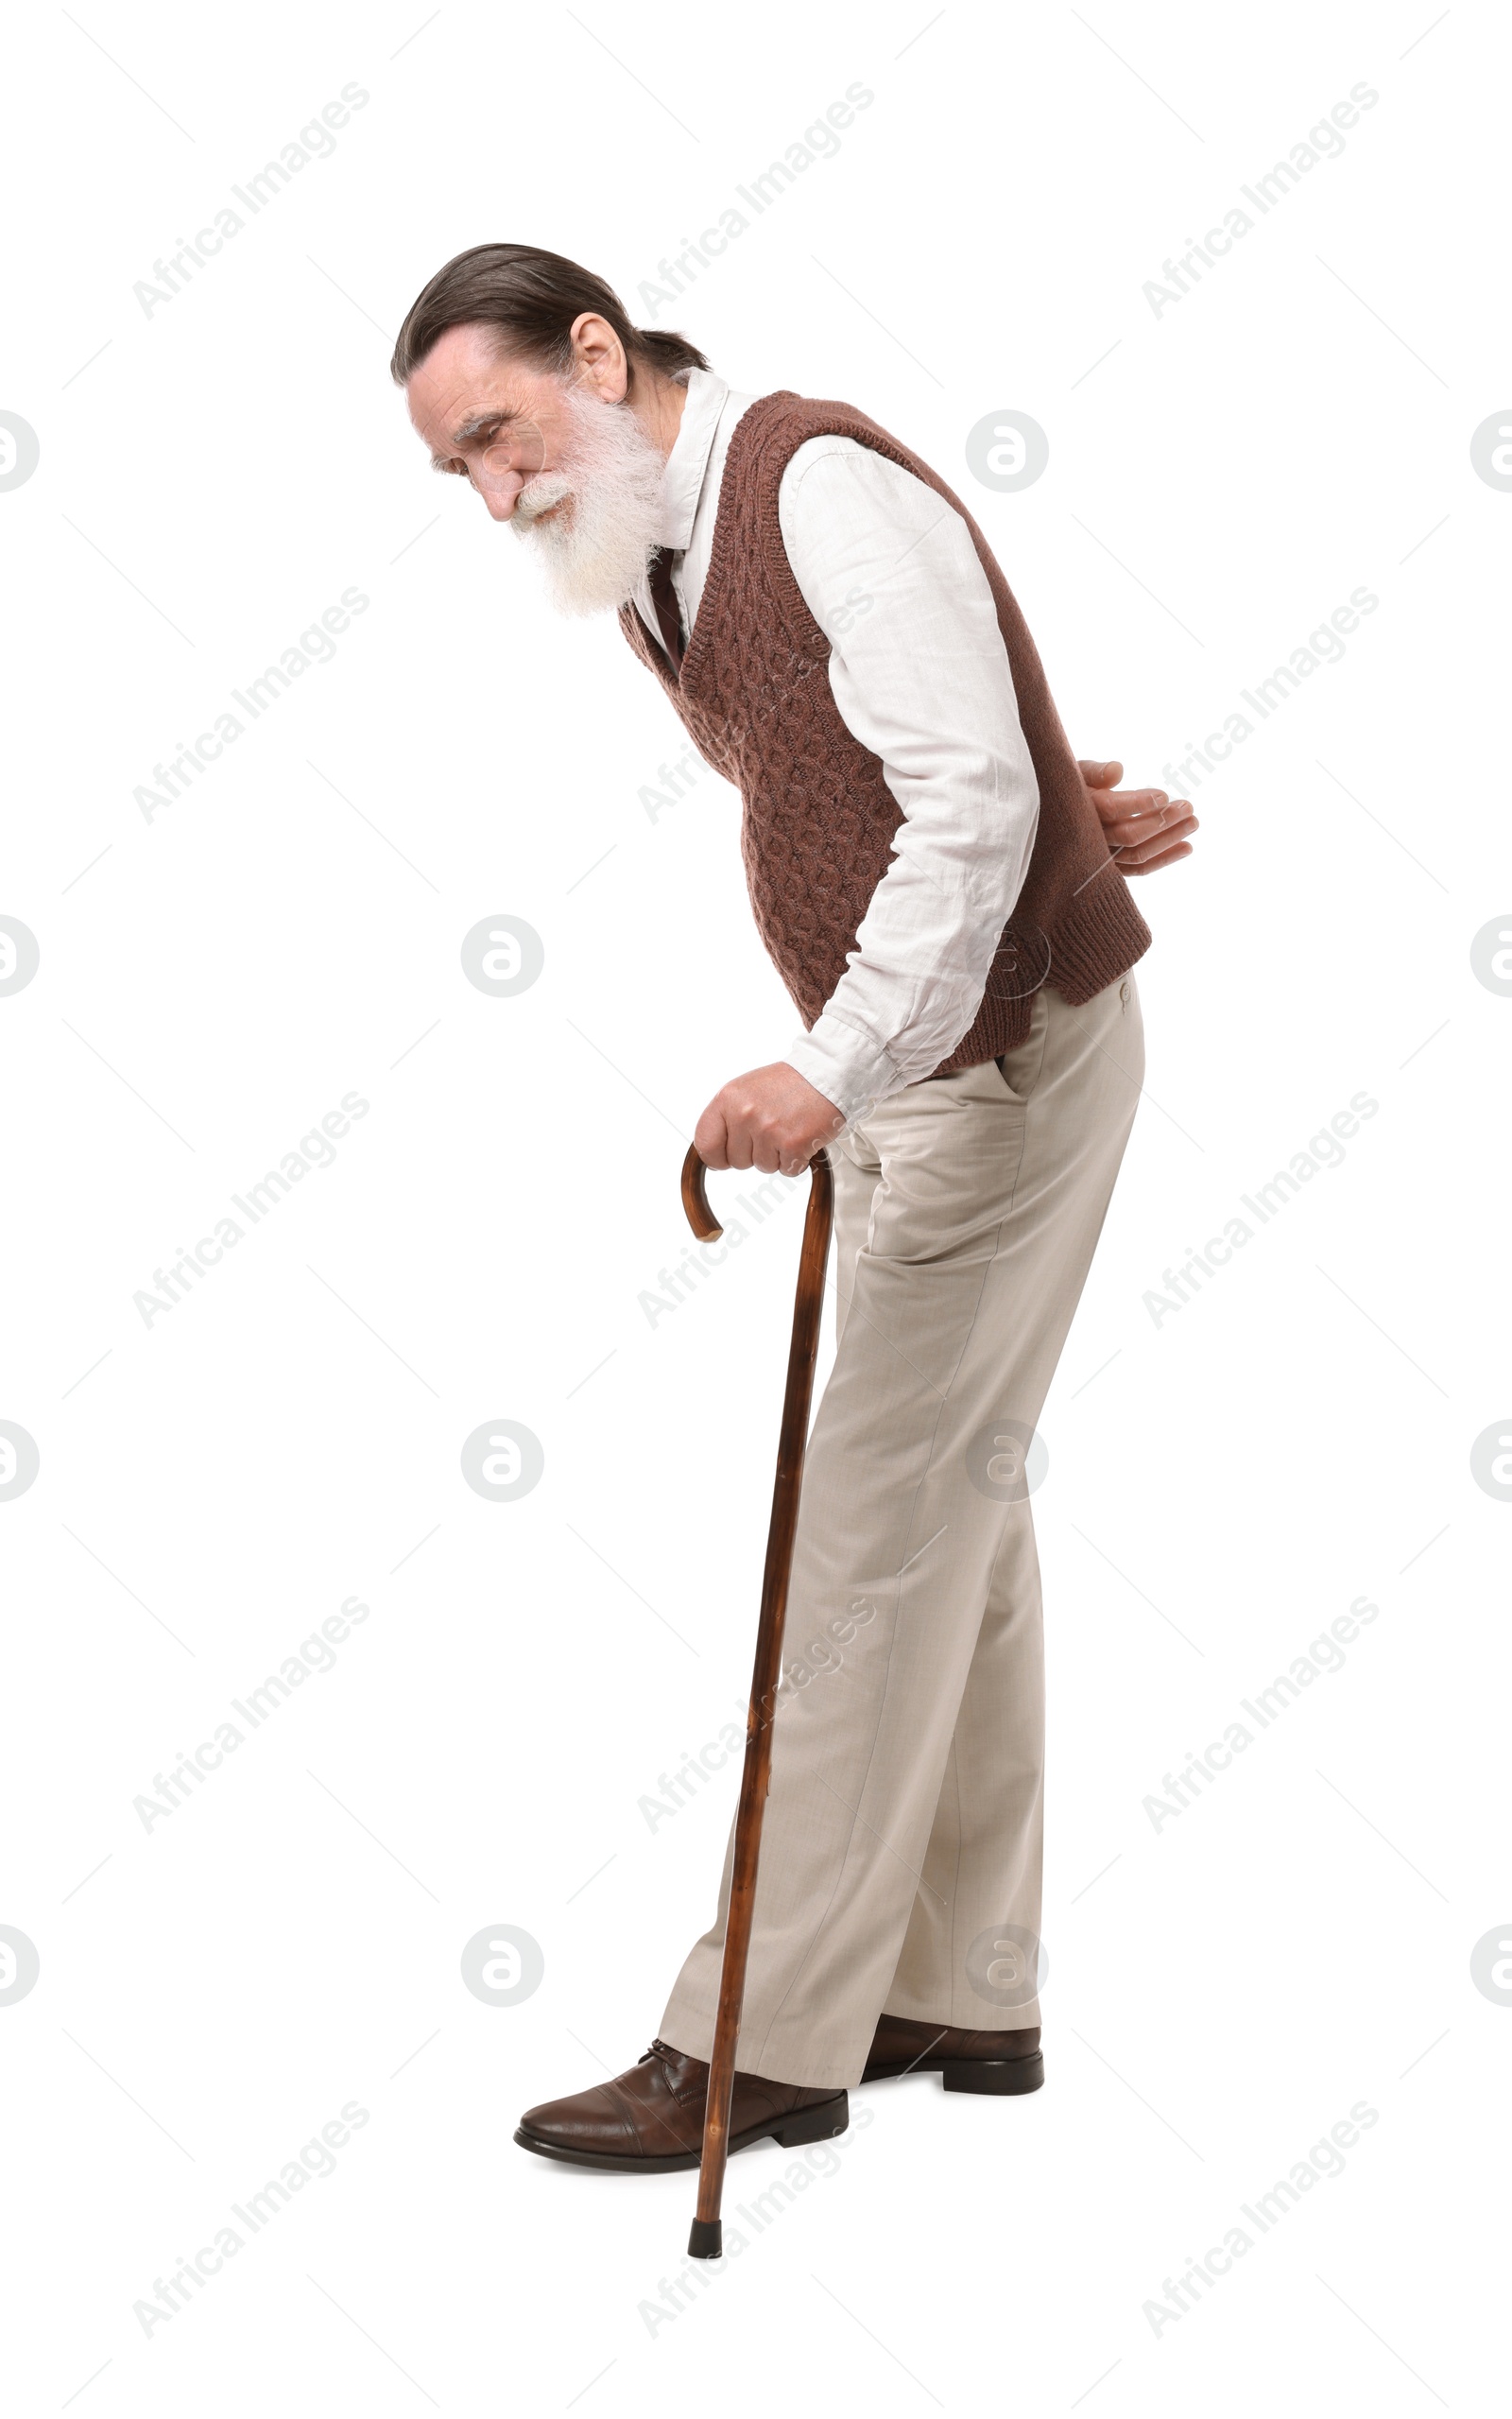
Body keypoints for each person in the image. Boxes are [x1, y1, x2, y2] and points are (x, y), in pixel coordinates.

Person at [392, 245, 1196, 2175]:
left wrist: (825, 1064)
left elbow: (966, 804)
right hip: (940, 1066)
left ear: (596, 352)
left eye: (498, 433)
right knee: (949, 1517)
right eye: (460, 474)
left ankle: (753, 2037)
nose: (496, 495)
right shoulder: (647, 545)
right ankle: (954, 1979)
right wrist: (1035, 802)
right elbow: (919, 754)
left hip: (985, 1077)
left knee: (854, 1556)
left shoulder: (808, 482)